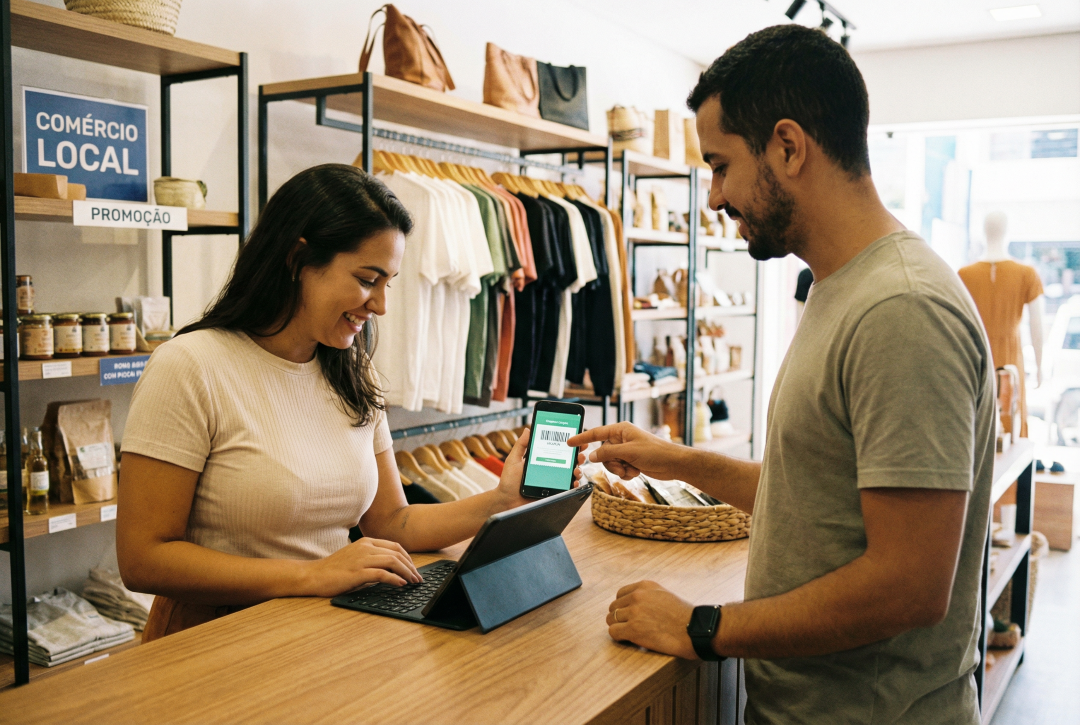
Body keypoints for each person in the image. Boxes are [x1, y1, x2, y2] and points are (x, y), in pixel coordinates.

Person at [568, 25, 995, 724]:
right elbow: (821, 495)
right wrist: (676, 462)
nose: (712, 197)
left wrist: (704, 626)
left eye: (720, 165)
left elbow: (910, 584)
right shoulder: (843, 288)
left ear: (788, 147)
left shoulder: (901, 308)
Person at [117, 163, 581, 640]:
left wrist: (502, 501)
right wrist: (312, 575)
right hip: (219, 638)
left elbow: (391, 521)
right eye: (366, 279)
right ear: (298, 260)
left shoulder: (351, 369)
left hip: (324, 631)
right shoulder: (189, 366)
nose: (380, 304)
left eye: (388, 283)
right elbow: (143, 557)